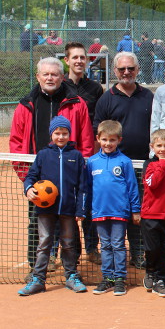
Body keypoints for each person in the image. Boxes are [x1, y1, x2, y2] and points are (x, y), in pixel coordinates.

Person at [10, 57, 94, 277]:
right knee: (37, 224)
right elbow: (16, 142)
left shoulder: (77, 103)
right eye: (45, 74)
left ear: (61, 76)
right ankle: (37, 266)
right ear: (37, 76)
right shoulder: (24, 105)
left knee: (70, 223)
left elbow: (86, 140)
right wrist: (26, 177)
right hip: (39, 178)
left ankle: (71, 267)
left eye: (54, 74)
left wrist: (79, 173)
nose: (50, 78)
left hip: (68, 176)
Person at [93, 51, 154, 269]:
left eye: (130, 68)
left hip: (141, 165)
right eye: (122, 69)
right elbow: (97, 128)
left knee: (139, 212)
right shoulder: (106, 99)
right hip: (114, 166)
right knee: (119, 212)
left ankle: (138, 254)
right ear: (115, 71)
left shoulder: (148, 96)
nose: (126, 72)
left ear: (137, 70)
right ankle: (112, 255)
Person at [18, 116, 88, 296]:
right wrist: (28, 189)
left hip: (68, 209)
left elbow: (82, 186)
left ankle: (71, 275)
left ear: (69, 135)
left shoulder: (76, 156)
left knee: (68, 243)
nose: (61, 137)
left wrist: (80, 209)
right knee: (44, 242)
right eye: (57, 133)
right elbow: (31, 176)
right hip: (45, 209)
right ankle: (38, 279)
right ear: (51, 134)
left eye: (64, 133)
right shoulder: (43, 155)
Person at [89, 120, 141, 296]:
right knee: (105, 245)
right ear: (98, 139)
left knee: (118, 244)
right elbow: (87, 188)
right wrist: (86, 208)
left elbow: (133, 187)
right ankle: (107, 278)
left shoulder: (124, 162)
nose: (108, 143)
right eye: (104, 139)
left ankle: (119, 279)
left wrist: (135, 210)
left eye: (112, 140)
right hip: (99, 211)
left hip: (119, 211)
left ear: (119, 140)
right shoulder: (92, 162)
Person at [63, 41, 103, 264]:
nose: (79, 61)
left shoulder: (95, 89)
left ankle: (92, 248)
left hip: (88, 154)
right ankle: (65, 250)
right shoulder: (60, 87)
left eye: (82, 57)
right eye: (75, 57)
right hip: (66, 155)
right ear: (67, 60)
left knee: (89, 203)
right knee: (65, 203)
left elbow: (97, 123)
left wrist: (92, 151)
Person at [140, 129, 165, 298]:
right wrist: (164, 164)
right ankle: (150, 271)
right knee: (152, 248)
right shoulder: (150, 165)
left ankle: (161, 280)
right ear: (152, 147)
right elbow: (153, 183)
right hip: (150, 216)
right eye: (159, 145)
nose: (162, 149)